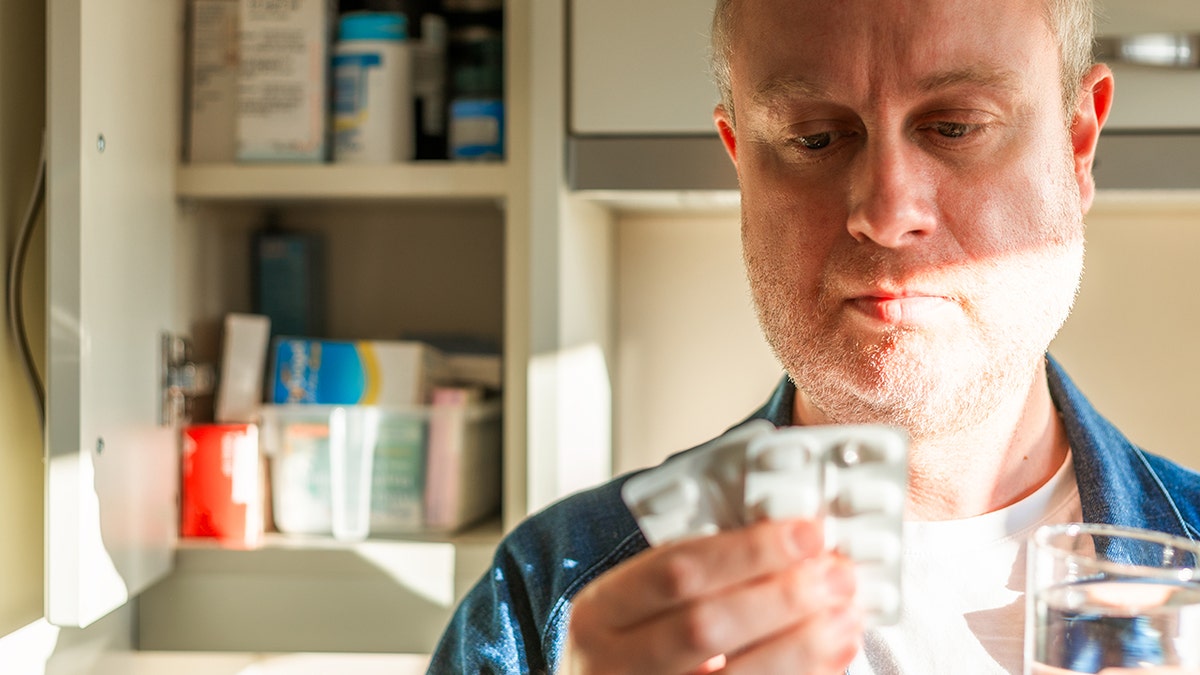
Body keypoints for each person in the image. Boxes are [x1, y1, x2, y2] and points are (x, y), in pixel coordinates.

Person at [428, 0, 1200, 672]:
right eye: (817, 137)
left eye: (955, 126)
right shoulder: (540, 607)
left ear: (1077, 142)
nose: (886, 210)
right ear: (741, 166)